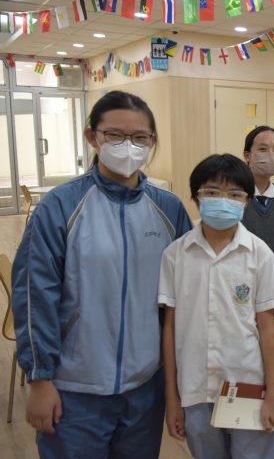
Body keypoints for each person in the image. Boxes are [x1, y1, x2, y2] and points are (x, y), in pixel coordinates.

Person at [12, 90, 192, 459]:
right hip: (75, 389)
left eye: (140, 137)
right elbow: (34, 295)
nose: (128, 145)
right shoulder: (60, 206)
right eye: (115, 135)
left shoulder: (168, 209)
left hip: (145, 387)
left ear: (152, 142)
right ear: (92, 136)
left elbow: (187, 292)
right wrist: (40, 378)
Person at [161, 154, 274, 459]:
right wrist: (171, 398)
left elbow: (267, 328)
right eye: (212, 192)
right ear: (195, 197)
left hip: (247, 382)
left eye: (234, 195)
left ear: (246, 201)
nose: (223, 201)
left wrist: (273, 394)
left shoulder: (259, 254)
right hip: (194, 386)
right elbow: (170, 327)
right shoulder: (176, 255)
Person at [241, 126, 274, 327]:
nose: (271, 156)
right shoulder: (235, 194)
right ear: (247, 155)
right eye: (262, 149)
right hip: (239, 293)